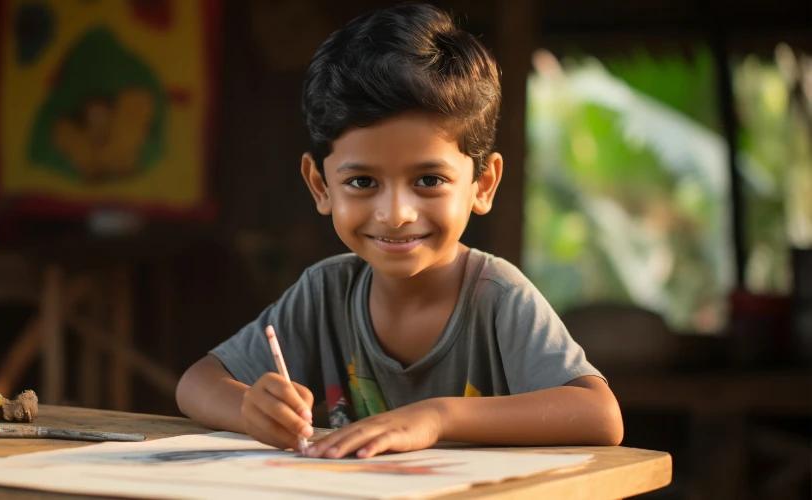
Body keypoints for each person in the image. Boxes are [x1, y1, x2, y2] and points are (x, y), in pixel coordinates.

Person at [176, 3, 623, 459]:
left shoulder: (496, 298)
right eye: (362, 182)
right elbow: (197, 383)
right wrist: (250, 406)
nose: (395, 214)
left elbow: (599, 415)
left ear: (482, 185)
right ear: (320, 185)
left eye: (428, 180)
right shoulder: (325, 292)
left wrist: (436, 417)